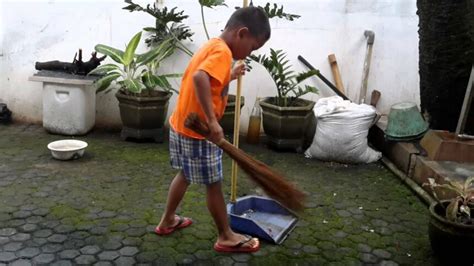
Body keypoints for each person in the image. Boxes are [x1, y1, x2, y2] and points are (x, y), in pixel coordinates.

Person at [155, 6, 271, 253]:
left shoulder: (213, 45)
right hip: (200, 132)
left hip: (182, 124)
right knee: (214, 184)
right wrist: (212, 121)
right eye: (252, 48)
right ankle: (226, 236)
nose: (249, 54)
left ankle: (167, 220)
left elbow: (209, 79)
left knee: (186, 174)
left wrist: (230, 75)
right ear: (242, 33)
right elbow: (199, 78)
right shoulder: (222, 52)